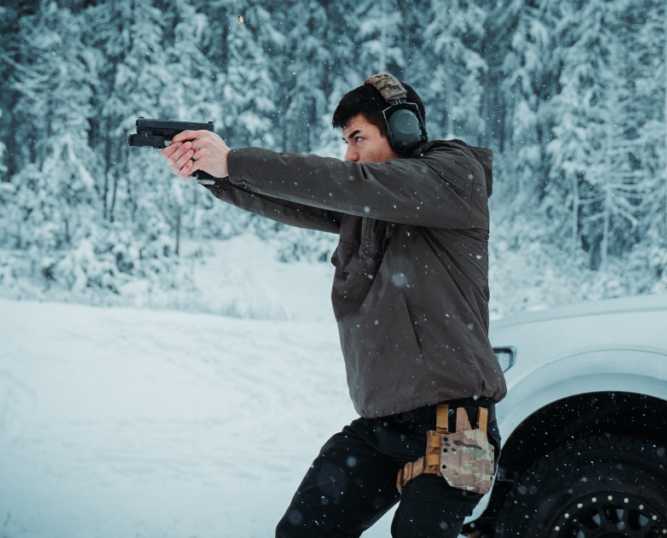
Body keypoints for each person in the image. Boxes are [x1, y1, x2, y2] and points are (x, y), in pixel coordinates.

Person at [162, 74, 507, 538]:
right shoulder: (368, 202)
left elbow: (346, 182)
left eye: (357, 138)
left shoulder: (453, 177)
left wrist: (236, 160)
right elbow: (299, 198)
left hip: (459, 431)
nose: (349, 153)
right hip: (381, 427)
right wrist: (214, 172)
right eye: (346, 142)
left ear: (404, 129)